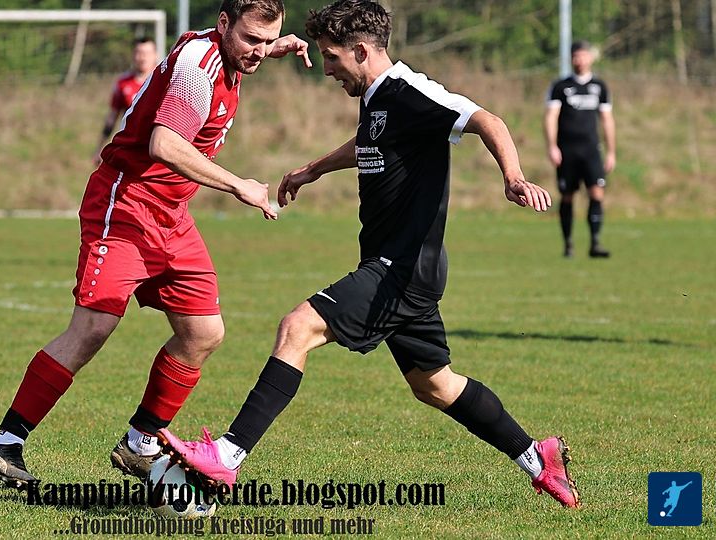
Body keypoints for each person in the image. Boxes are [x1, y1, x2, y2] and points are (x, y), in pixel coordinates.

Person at [159, 0, 580, 510]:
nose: (327, 70)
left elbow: (486, 120)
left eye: (332, 58)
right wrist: (314, 169)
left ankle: (227, 455)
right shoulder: (379, 97)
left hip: (401, 270)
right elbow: (370, 140)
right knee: (435, 385)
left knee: (298, 328)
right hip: (398, 266)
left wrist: (512, 177)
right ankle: (538, 458)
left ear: (361, 50)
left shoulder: (410, 92)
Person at [0, 0, 312, 489]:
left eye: (268, 40)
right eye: (251, 39)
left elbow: (243, 49)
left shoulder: (230, 52)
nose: (258, 51)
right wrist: (239, 184)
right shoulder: (198, 68)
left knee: (203, 333)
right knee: (94, 325)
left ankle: (140, 442)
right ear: (223, 24)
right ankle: (6, 442)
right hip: (127, 202)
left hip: (172, 216)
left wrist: (268, 47)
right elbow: (164, 144)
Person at [544, 40, 616, 258]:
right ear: (571, 59)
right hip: (567, 151)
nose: (579, 60)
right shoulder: (560, 86)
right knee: (567, 195)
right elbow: (551, 117)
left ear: (591, 58)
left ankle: (595, 243)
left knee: (597, 193)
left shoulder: (600, 87)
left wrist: (611, 151)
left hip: (591, 150)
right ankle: (568, 244)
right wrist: (552, 146)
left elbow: (607, 119)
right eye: (576, 56)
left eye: (583, 55)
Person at [92, 37, 160, 167]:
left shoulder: (164, 82)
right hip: (131, 149)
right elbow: (112, 118)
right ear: (133, 55)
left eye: (147, 53)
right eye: (139, 53)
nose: (142, 58)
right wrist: (99, 148)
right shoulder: (123, 83)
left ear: (155, 55)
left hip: (157, 148)